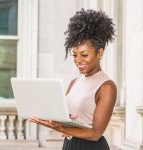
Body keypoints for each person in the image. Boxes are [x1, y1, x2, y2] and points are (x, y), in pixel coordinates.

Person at [29, 8, 117, 150]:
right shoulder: (74, 82)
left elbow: (95, 133)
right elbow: (66, 118)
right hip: (70, 144)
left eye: (84, 54)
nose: (78, 60)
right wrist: (49, 116)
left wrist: (60, 128)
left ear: (99, 53)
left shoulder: (107, 86)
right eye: (74, 55)